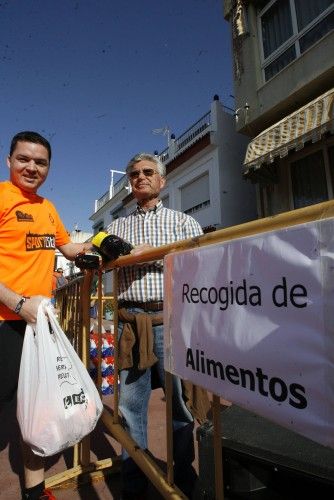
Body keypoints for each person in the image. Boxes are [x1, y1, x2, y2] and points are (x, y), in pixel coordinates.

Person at [107, 153, 206, 499]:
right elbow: (102, 264)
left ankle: (183, 476)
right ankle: (135, 481)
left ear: (162, 181)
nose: (141, 177)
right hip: (130, 325)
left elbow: (198, 267)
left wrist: (151, 254)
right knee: (130, 407)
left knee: (178, 404)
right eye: (134, 174)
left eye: (149, 172)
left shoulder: (183, 222)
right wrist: (141, 254)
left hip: (170, 321)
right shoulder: (115, 228)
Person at [0, 131, 92, 500]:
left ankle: (33, 493)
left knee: (35, 415)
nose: (31, 167)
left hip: (37, 328)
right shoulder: (2, 197)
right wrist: (19, 303)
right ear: (9, 161)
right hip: (5, 322)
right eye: (24, 159)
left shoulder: (48, 208)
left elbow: (69, 247)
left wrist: (101, 244)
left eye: (40, 162)